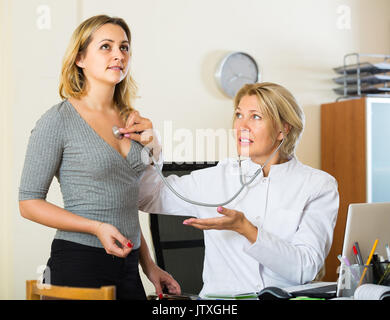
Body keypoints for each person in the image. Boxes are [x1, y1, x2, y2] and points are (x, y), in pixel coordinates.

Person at [18, 15, 180, 300]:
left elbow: (126, 203)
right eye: (106, 46)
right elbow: (29, 204)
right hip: (78, 263)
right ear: (80, 57)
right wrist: (95, 227)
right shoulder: (57, 121)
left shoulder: (133, 121)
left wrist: (149, 266)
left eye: (124, 47)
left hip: (128, 267)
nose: (119, 55)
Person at [136, 82, 339, 297]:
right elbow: (148, 197)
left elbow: (304, 268)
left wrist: (245, 228)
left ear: (283, 128)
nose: (242, 126)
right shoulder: (218, 176)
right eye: (239, 115)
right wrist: (153, 151)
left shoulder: (317, 185)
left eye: (255, 117)